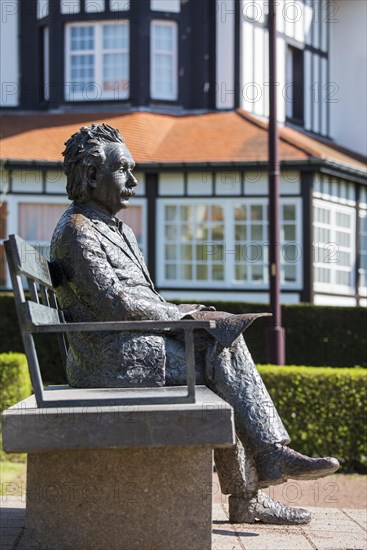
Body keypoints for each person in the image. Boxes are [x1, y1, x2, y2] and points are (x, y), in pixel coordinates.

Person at [51, 124, 339, 525]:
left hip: (132, 343)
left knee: (223, 337)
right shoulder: (76, 231)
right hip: (107, 355)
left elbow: (142, 300)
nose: (133, 180)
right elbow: (114, 302)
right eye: (124, 171)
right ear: (92, 175)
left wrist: (190, 312)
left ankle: (265, 465)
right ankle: (259, 475)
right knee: (218, 354)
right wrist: (184, 317)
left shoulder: (119, 230)